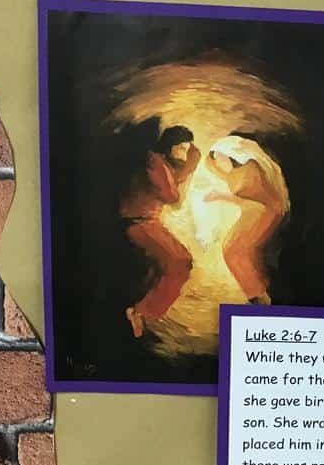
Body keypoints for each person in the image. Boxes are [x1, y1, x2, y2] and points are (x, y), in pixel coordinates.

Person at [120, 126, 201, 337]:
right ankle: (141, 313)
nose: (184, 154)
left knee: (168, 264)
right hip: (138, 223)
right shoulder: (155, 163)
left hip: (146, 222)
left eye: (187, 150)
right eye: (181, 148)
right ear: (169, 146)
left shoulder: (162, 162)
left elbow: (172, 188)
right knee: (181, 262)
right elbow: (172, 197)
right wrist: (189, 167)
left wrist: (187, 165)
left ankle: (144, 313)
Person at [204, 136, 290, 305]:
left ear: (230, 155)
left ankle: (259, 295)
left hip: (265, 210)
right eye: (216, 159)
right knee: (233, 251)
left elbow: (255, 201)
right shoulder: (233, 173)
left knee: (235, 251)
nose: (218, 162)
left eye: (220, 157)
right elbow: (214, 168)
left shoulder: (250, 171)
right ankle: (255, 293)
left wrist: (221, 196)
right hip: (252, 211)